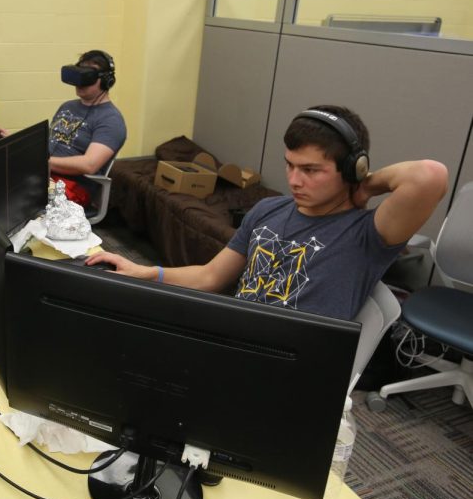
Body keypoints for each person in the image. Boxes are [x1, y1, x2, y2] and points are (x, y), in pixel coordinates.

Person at [86, 105, 449, 320]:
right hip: (236, 338)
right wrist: (146, 272)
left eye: (311, 170)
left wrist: (364, 186)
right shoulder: (268, 210)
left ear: (352, 169)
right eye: (290, 165)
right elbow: (211, 277)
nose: (294, 180)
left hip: (292, 369)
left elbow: (429, 175)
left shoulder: (366, 233)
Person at [47, 50, 126, 205]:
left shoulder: (111, 120)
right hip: (44, 174)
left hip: (73, 187)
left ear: (106, 81)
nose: (80, 83)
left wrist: (44, 162)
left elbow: (89, 164)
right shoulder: (67, 106)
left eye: (87, 77)